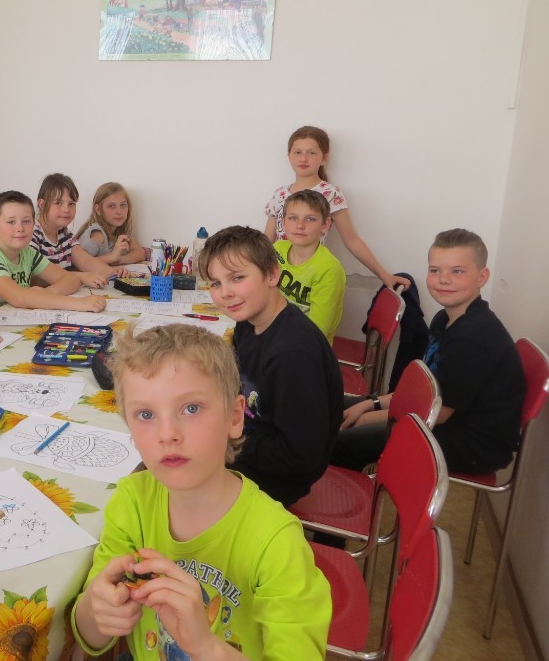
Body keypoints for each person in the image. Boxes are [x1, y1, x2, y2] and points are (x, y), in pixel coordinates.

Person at [71, 325, 330, 660]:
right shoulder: (132, 500)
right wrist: (99, 609)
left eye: (191, 408)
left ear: (234, 417)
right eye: (146, 414)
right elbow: (90, 633)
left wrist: (206, 647)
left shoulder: (277, 542)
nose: (167, 434)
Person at [334, 229, 525, 475]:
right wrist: (372, 403)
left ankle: (345, 495)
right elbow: (423, 392)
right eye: (435, 270)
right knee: (333, 405)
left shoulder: (475, 338)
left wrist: (367, 418)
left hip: (472, 442)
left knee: (341, 443)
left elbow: (436, 414)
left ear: (482, 277)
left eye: (457, 271)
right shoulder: (443, 319)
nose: (444, 279)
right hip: (438, 416)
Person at [199, 226, 343, 506]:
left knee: (170, 479)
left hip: (278, 478)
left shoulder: (292, 355)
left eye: (237, 278)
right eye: (215, 283)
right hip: (251, 437)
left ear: (272, 274)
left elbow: (299, 456)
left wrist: (225, 439)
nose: (225, 293)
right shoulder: (247, 323)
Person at [262, 126, 409, 291]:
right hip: (278, 275)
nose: (303, 158)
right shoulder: (279, 194)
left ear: (324, 158)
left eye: (311, 153)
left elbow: (352, 240)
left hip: (310, 276)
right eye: (297, 152)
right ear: (289, 156)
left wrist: (384, 275)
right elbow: (267, 242)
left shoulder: (330, 194)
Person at [0, 190, 108, 312]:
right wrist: (80, 304)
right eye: (11, 222)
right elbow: (19, 297)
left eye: (26, 221)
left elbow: (71, 280)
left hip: (12, 320)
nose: (20, 228)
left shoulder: (27, 253)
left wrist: (46, 293)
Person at [31, 173, 129, 288]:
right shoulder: (32, 234)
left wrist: (111, 272)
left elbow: (86, 261)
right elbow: (34, 279)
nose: (66, 209)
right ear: (42, 205)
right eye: (58, 203)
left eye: (71, 203)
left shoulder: (65, 234)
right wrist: (81, 277)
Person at [273, 190, 346, 344]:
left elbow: (317, 330)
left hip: (306, 345)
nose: (300, 225)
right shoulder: (277, 249)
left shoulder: (329, 269)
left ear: (325, 225)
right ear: (283, 222)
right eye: (293, 218)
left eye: (310, 219)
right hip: (275, 329)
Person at [76, 182, 146, 266]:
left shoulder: (119, 231)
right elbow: (78, 265)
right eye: (111, 206)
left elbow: (140, 253)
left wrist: (118, 260)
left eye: (123, 205)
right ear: (98, 210)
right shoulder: (98, 236)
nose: (119, 211)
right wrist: (111, 257)